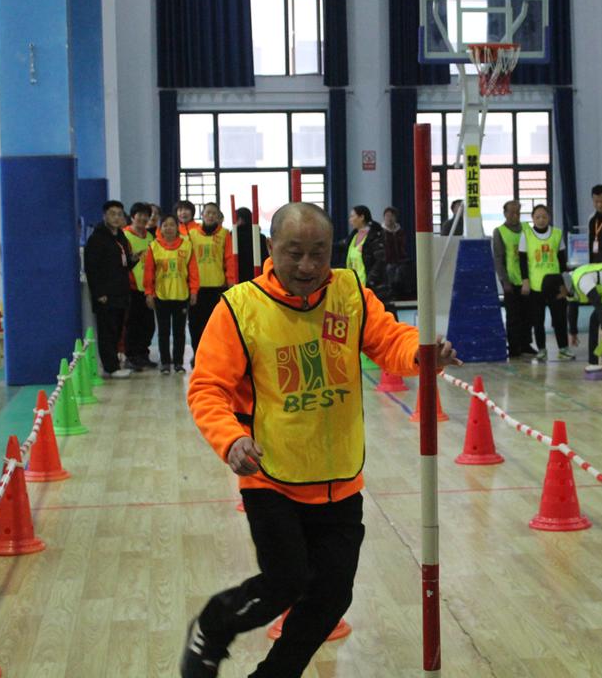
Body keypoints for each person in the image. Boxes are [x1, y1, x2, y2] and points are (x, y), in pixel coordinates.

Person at [182, 202, 461, 678]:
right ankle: (214, 624)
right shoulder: (240, 308)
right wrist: (230, 440)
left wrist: (421, 354)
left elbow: (389, 340)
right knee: (285, 581)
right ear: (272, 249)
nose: (308, 266)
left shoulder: (350, 293)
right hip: (271, 474)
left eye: (318, 253)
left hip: (339, 475)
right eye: (294, 253)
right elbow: (207, 387)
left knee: (333, 595)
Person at [84, 200, 137, 378]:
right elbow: (92, 269)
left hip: (121, 292)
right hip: (106, 295)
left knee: (117, 329)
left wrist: (134, 260)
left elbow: (123, 264)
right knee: (107, 330)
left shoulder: (120, 236)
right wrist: (99, 293)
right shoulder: (97, 239)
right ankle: (110, 367)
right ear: (104, 216)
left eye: (119, 214)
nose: (116, 217)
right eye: (112, 214)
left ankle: (114, 363)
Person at [145, 214, 200, 374]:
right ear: (160, 228)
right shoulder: (154, 246)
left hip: (181, 295)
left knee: (179, 332)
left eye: (172, 225)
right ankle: (165, 363)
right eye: (165, 225)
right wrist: (149, 293)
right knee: (163, 331)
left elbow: (193, 271)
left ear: (177, 228)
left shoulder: (187, 246)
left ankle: (178, 362)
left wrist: (194, 290)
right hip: (161, 296)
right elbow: (149, 272)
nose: (168, 228)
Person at [519, 204, 574, 361]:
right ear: (533, 219)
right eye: (537, 217)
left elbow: (562, 262)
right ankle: (542, 349)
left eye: (544, 216)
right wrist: (525, 282)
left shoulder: (557, 234)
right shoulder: (526, 234)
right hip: (536, 286)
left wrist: (565, 284)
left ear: (549, 217)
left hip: (556, 284)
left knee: (560, 318)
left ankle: (563, 348)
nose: (541, 220)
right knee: (538, 320)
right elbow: (523, 261)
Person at [188, 203, 236, 360]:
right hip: (197, 288)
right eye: (208, 212)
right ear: (202, 215)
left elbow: (229, 259)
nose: (210, 216)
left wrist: (231, 281)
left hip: (217, 287)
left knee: (216, 325)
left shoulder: (224, 234)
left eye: (214, 213)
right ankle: (198, 355)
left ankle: (214, 356)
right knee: (196, 324)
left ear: (218, 216)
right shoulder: (192, 234)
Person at [493, 200, 534, 357]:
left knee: (528, 314)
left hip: (527, 279)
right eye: (512, 212)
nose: (515, 215)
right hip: (510, 281)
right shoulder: (499, 232)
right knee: (513, 316)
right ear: (505, 213)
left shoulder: (526, 228)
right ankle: (514, 347)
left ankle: (526, 344)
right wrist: (504, 280)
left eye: (518, 212)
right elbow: (498, 258)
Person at [123, 202, 157, 371]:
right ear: (132, 216)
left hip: (148, 288)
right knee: (132, 324)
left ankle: (143, 354)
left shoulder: (151, 237)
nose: (143, 218)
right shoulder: (125, 236)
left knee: (148, 325)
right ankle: (131, 356)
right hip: (132, 287)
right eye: (140, 215)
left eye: (146, 215)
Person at [344, 205, 393, 304]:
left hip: (372, 287)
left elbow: (380, 261)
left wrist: (370, 280)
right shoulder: (353, 235)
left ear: (361, 217)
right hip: (355, 286)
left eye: (352, 216)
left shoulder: (375, 235)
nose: (350, 220)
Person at [381, 206, 412, 300]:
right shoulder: (381, 231)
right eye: (387, 216)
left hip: (400, 259)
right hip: (386, 261)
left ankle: (405, 293)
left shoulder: (400, 231)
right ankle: (391, 292)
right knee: (390, 270)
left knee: (404, 269)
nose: (389, 218)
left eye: (391, 216)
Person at [234, 207, 270, 283]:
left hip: (238, 278)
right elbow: (266, 258)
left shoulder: (233, 237)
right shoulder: (261, 237)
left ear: (240, 220)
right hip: (258, 278)